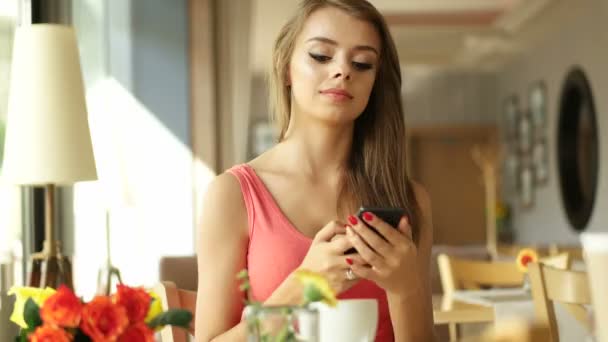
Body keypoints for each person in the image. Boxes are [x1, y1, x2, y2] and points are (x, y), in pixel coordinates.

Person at [195, 0, 434, 341]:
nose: (343, 71)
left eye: (362, 63)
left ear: (374, 83)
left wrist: (404, 289)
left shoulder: (411, 200)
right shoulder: (231, 195)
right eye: (321, 56)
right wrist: (302, 287)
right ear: (286, 69)